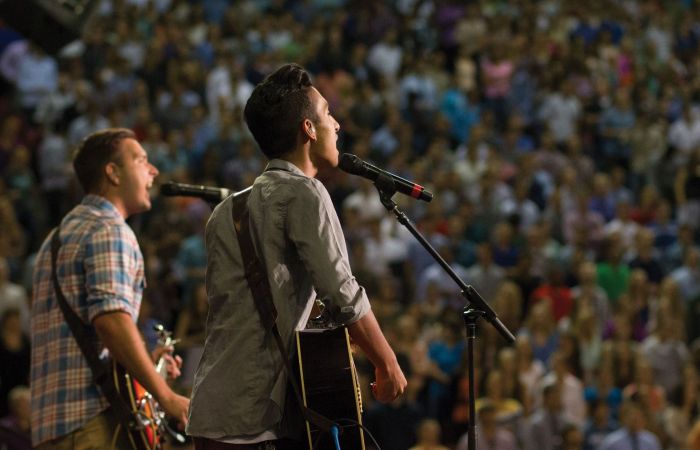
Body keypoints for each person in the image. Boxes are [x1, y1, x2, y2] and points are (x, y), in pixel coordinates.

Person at [187, 63, 407, 449]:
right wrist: (386, 361)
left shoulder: (226, 212)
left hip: (211, 408)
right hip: (257, 417)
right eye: (327, 114)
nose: (336, 125)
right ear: (308, 129)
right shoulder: (305, 193)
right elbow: (342, 292)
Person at [30, 128, 190, 449]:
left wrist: (146, 362)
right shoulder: (109, 230)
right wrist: (165, 394)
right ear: (113, 173)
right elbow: (111, 321)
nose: (154, 170)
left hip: (53, 423)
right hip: (93, 423)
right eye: (141, 160)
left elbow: (90, 338)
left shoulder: (55, 238)